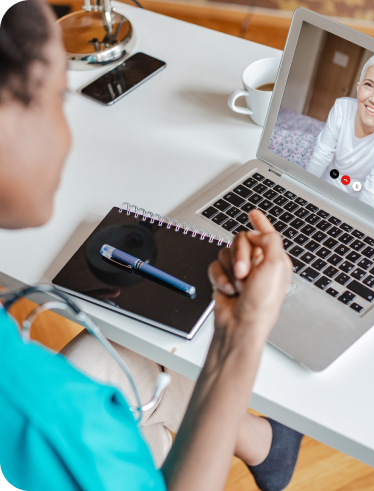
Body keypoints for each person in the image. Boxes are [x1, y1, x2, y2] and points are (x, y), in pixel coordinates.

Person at [0, 2, 302, 490]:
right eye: (58, 97)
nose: (67, 135)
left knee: (131, 358)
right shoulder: (45, 419)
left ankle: (264, 444)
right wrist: (241, 333)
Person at [306, 54, 374, 209]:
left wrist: (355, 224)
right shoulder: (341, 108)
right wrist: (302, 197)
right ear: (358, 88)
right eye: (369, 85)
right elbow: (320, 157)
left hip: (357, 205)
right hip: (323, 188)